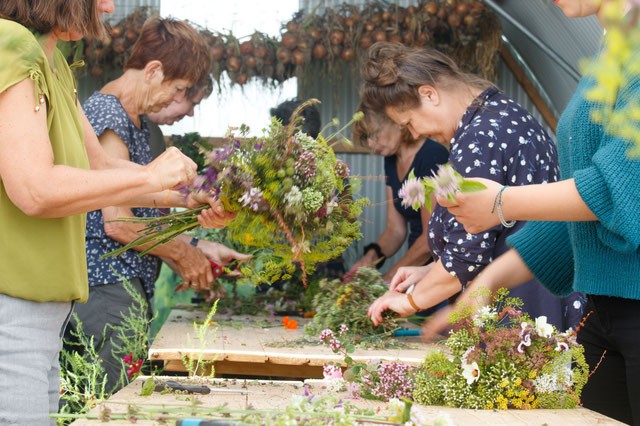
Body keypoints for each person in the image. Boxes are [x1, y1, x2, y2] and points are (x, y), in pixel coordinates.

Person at [0, 1, 231, 424]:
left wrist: (189, 194)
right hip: (14, 310)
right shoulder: (11, 42)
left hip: (45, 314)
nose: (108, 6)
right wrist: (153, 179)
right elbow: (34, 189)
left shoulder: (54, 62)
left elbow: (100, 168)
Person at [422, 1, 640, 423]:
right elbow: (584, 215)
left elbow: (619, 186)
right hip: (606, 313)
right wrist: (486, 285)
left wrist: (502, 202)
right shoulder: (612, 47)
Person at [70, 17, 250, 393]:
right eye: (179, 88)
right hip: (106, 288)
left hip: (122, 288)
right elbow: (116, 221)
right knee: (109, 405)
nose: (176, 100)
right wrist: (184, 254)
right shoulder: (108, 114)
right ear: (153, 71)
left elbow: (137, 196)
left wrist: (190, 204)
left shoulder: (133, 120)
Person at [362, 42, 584, 331]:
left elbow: (467, 254)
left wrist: (410, 302)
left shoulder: (479, 139)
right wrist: (429, 271)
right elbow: (499, 235)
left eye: (410, 122)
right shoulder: (500, 114)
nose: (415, 133)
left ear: (429, 94)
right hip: (538, 288)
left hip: (524, 306)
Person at [346, 104, 449, 284]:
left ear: (397, 122)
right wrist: (370, 258)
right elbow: (395, 229)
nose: (370, 143)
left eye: (374, 133)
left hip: (438, 269)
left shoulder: (432, 156)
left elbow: (429, 240)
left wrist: (389, 279)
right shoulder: (391, 159)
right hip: (414, 267)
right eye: (366, 137)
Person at [147, 74, 214, 159]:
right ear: (178, 93)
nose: (191, 113)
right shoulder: (128, 122)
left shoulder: (154, 133)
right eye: (193, 103)